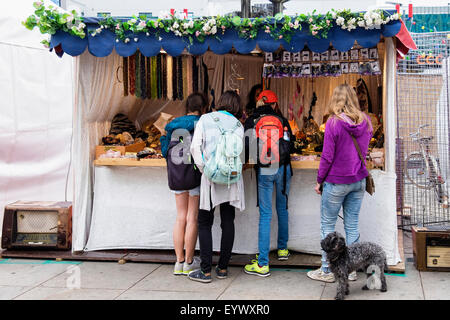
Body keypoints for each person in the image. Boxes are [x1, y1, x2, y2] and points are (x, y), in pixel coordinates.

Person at [307, 84, 373, 283]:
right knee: (352, 225)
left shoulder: (333, 123)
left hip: (336, 181)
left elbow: (327, 157)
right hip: (358, 179)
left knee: (328, 225)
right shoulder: (366, 121)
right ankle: (351, 270)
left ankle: (327, 270)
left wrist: (319, 181)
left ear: (336, 100)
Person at [188, 90, 245, 283]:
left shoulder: (205, 119)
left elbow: (195, 148)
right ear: (237, 106)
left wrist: (207, 170)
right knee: (228, 222)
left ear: (220, 102)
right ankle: (222, 268)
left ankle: (205, 271)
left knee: (205, 222)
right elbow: (240, 155)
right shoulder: (238, 125)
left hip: (210, 178)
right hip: (230, 179)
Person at [243, 89, 294, 277]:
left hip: (264, 169)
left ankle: (263, 263)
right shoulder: (282, 120)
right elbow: (292, 145)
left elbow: (247, 147)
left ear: (258, 104)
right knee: (282, 208)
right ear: (274, 104)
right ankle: (282, 250)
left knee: (265, 214)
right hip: (282, 168)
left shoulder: (252, 121)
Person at [160, 93, 207, 276]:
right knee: (192, 217)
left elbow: (165, 151)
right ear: (203, 108)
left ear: (186, 107)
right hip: (193, 174)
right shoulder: (201, 123)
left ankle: (178, 262)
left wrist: (164, 138)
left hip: (177, 175)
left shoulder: (172, 125)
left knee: (180, 217)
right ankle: (189, 261)